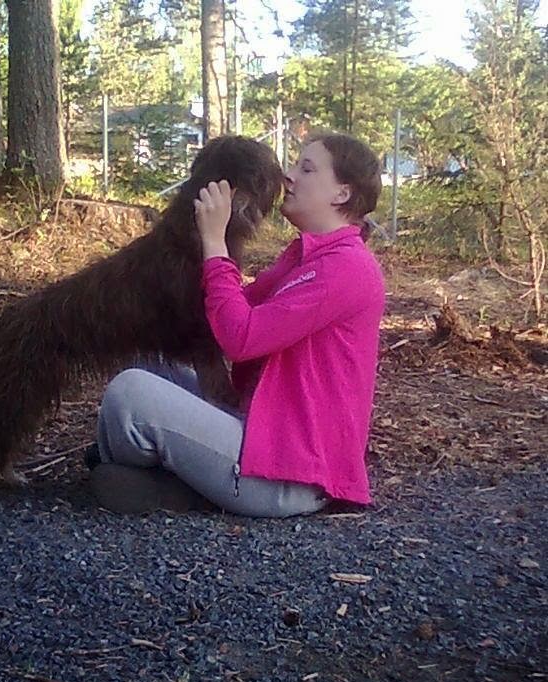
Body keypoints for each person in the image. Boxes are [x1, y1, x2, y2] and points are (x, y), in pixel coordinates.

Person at [89, 132, 385, 517]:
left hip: (289, 473)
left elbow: (240, 337)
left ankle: (176, 482)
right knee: (150, 366)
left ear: (342, 194)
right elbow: (229, 310)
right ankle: (183, 482)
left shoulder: (346, 267)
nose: (288, 176)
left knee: (130, 393)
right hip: (262, 430)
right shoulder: (306, 257)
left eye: (307, 169)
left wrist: (215, 243)